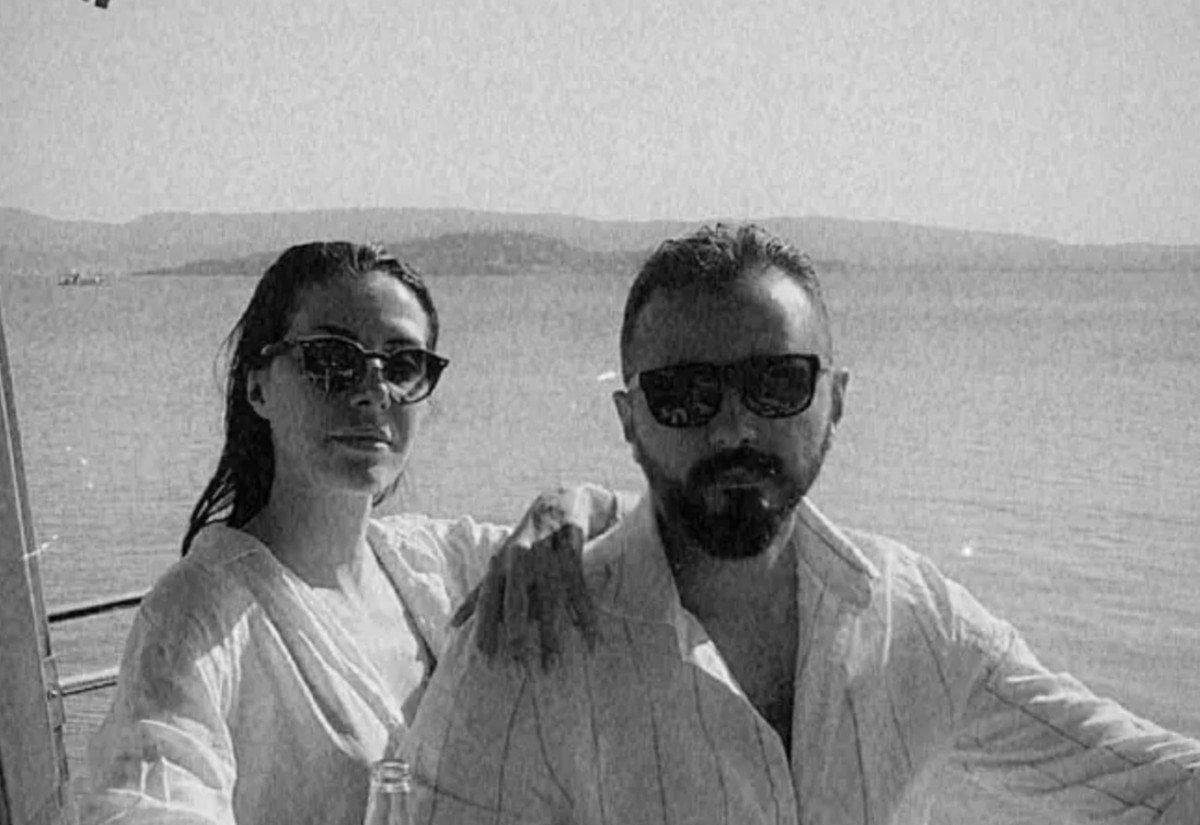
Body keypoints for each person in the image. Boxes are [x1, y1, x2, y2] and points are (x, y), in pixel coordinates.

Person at [400, 223, 1200, 824]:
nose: (733, 427)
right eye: (685, 394)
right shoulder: (526, 649)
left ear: (835, 399)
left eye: (777, 382)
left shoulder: (913, 619)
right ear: (629, 419)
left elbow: (1143, 778)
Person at [81, 242, 623, 825]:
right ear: (258, 387)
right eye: (331, 358)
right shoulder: (197, 617)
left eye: (403, 364)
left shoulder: (436, 564)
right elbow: (147, 801)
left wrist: (569, 505)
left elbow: (664, 533)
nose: (373, 389)